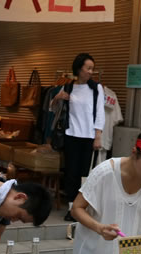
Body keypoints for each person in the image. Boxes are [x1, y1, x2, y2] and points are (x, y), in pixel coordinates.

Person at [50, 53, 105, 221]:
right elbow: (53, 108)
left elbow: (100, 113)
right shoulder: (68, 87)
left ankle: (81, 208)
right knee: (71, 173)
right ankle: (72, 208)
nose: (91, 72)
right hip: (71, 135)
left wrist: (97, 136)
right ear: (79, 68)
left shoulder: (96, 88)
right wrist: (58, 97)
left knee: (85, 174)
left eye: (92, 69)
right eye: (88, 68)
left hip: (88, 137)